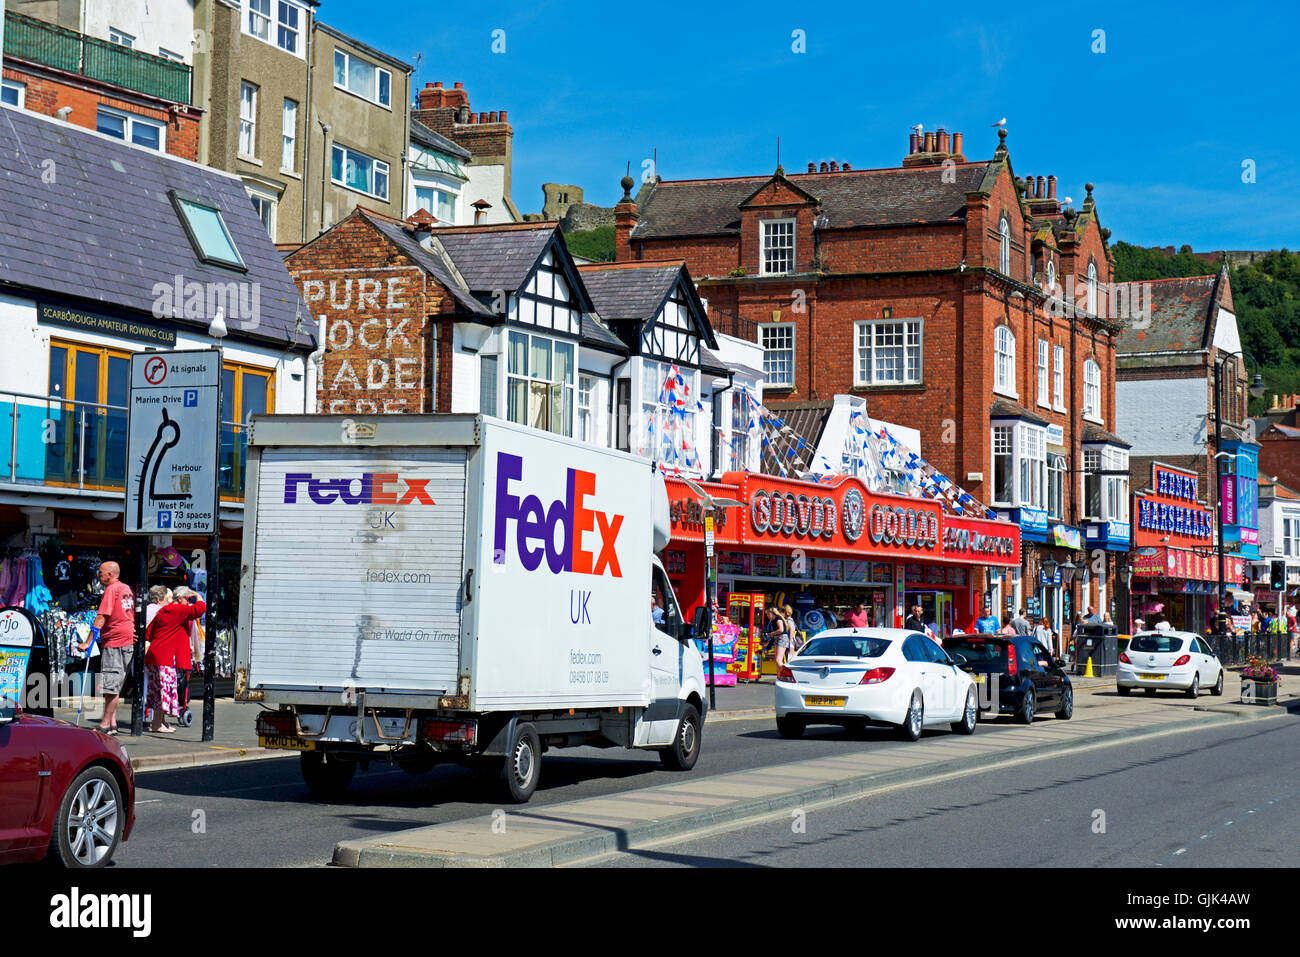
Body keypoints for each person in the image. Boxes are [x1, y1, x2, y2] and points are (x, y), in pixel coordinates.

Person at [76, 561, 134, 735]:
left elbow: (101, 617)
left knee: (111, 686)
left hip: (115, 641)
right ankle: (113, 724)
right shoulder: (126, 589)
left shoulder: (111, 590)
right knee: (114, 682)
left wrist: (88, 642)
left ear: (110, 574)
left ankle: (105, 723)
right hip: (126, 639)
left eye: (100, 572)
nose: (98, 575)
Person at [144, 586, 206, 733]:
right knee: (163, 690)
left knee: (158, 689)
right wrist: (198, 596)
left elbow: (149, 633)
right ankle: (157, 724)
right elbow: (200, 609)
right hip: (165, 656)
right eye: (188, 599)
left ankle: (161, 722)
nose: (189, 602)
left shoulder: (164, 610)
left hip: (155, 654)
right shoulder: (179, 610)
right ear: (180, 599)